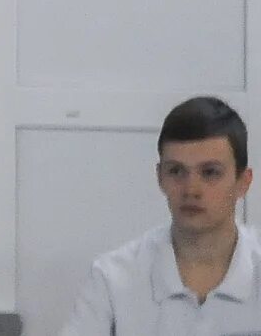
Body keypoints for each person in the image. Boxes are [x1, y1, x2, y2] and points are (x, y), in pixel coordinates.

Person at [58, 96, 261, 336]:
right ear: (160, 177)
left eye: (210, 173)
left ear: (243, 182)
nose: (191, 189)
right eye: (176, 171)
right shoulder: (112, 277)